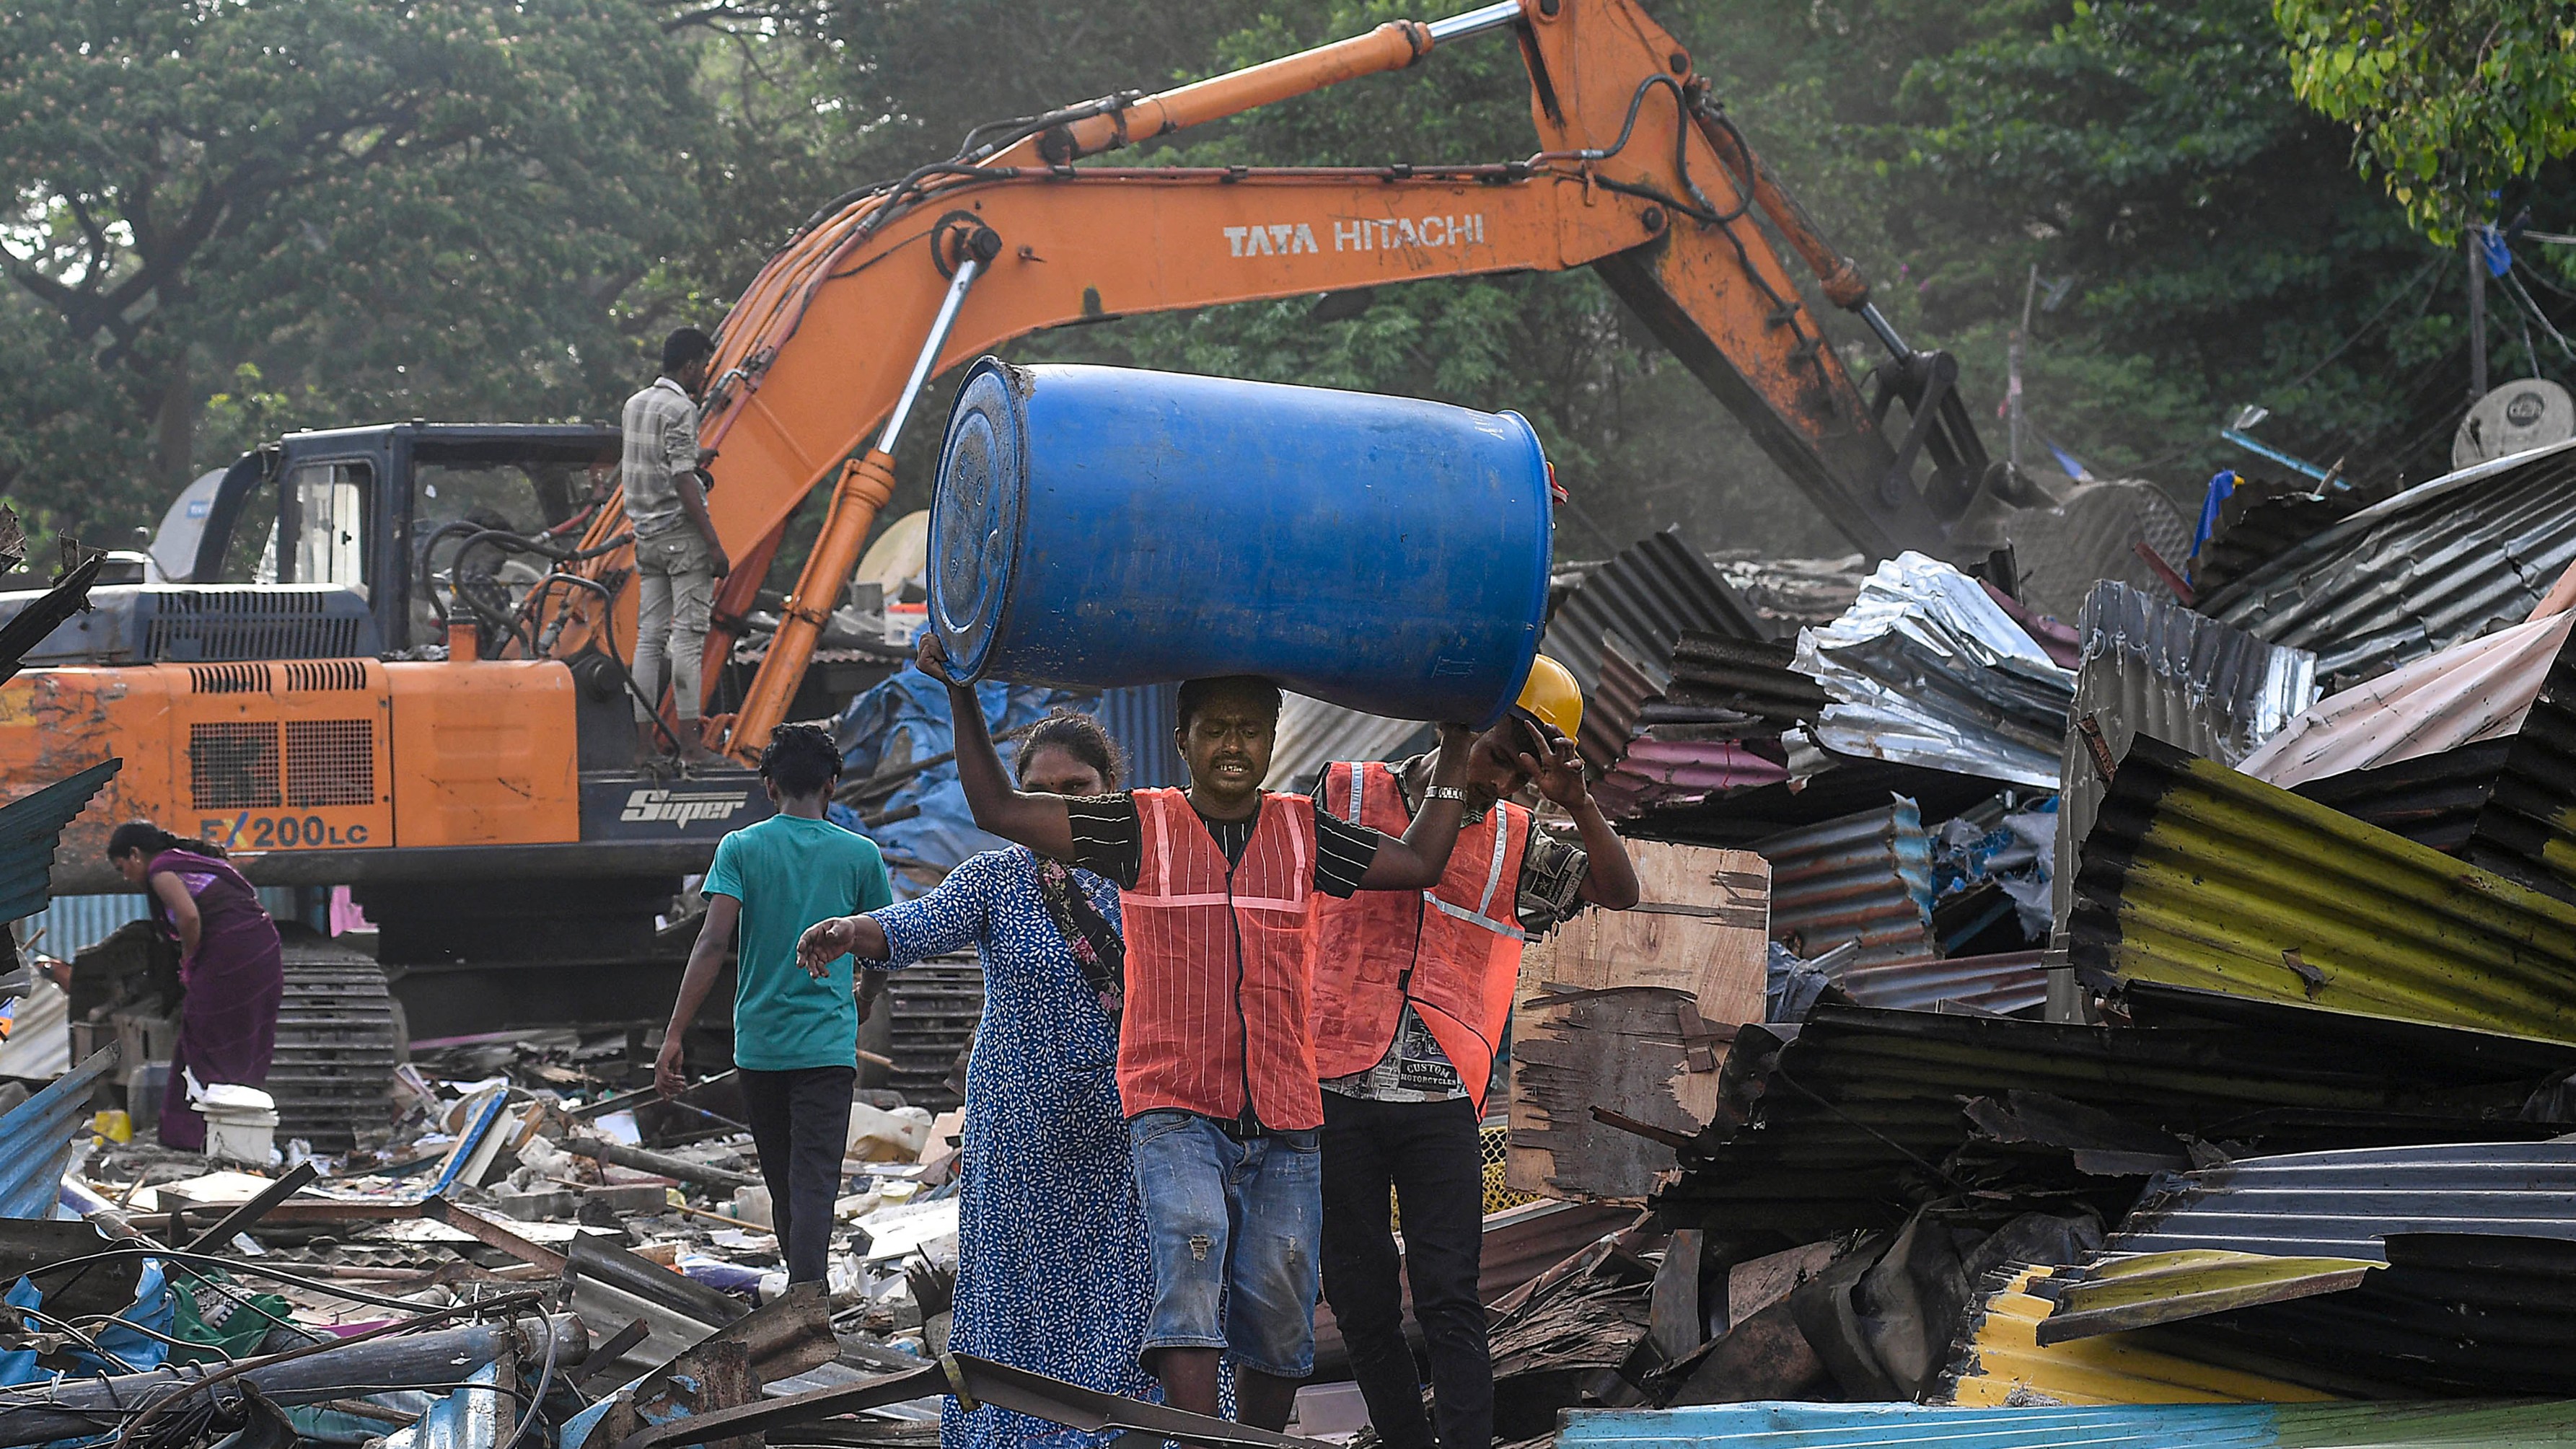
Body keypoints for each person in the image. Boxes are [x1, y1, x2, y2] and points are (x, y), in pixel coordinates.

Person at [918, 630, 1474, 1432]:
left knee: (1281, 1305)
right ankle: (1199, 1438)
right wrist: (960, 691)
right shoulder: (1139, 827)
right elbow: (998, 808)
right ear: (1182, 740)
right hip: (1176, 1109)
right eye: (1215, 728)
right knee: (1191, 1250)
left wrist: (1454, 746)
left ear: (1272, 737)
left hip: (1286, 1116)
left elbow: (1420, 860)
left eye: (1250, 727)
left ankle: (1253, 1439)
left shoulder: (1302, 832)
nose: (1233, 744)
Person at [797, 713, 1156, 1449]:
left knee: (1124, 1291)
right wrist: (848, 930)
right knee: (1017, 1297)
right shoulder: (994, 878)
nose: (1056, 803)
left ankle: (1117, 1434)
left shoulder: (1150, 873)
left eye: (1076, 787)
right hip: (1021, 1134)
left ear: (1112, 788)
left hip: (1124, 1131)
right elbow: (912, 925)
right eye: (1038, 790)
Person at [1309, 656, 1641, 1449]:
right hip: (1333, 1086)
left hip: (1440, 1098)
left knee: (1449, 1296)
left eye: (1518, 772)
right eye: (1495, 754)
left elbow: (1619, 890)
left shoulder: (1517, 838)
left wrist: (1579, 804)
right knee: (1357, 1300)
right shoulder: (1345, 792)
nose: (1500, 782)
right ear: (1452, 728)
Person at [656, 723, 892, 1283]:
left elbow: (712, 942)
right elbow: (883, 944)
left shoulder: (741, 848)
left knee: (784, 1179)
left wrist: (674, 1034)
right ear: (832, 785)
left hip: (759, 1048)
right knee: (814, 1180)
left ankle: (800, 1296)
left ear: (768, 786)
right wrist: (864, 996)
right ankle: (806, 1300)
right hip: (826, 1047)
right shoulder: (860, 854)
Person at [106, 823, 286, 1152]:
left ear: (135, 855)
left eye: (123, 869)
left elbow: (189, 919)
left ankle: (198, 1136)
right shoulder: (181, 861)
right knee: (234, 1038)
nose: (126, 877)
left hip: (231, 954)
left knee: (206, 1038)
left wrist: (188, 960)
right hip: (259, 947)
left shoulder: (161, 870)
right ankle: (228, 1130)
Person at [624, 325, 731, 767]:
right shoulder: (681, 408)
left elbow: (656, 462)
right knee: (688, 641)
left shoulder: (636, 405)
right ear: (689, 366)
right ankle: (691, 747)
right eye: (703, 366)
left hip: (645, 538)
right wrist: (713, 545)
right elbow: (683, 479)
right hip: (680, 539)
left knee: (648, 641)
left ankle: (644, 748)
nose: (705, 375)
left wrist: (694, 455)